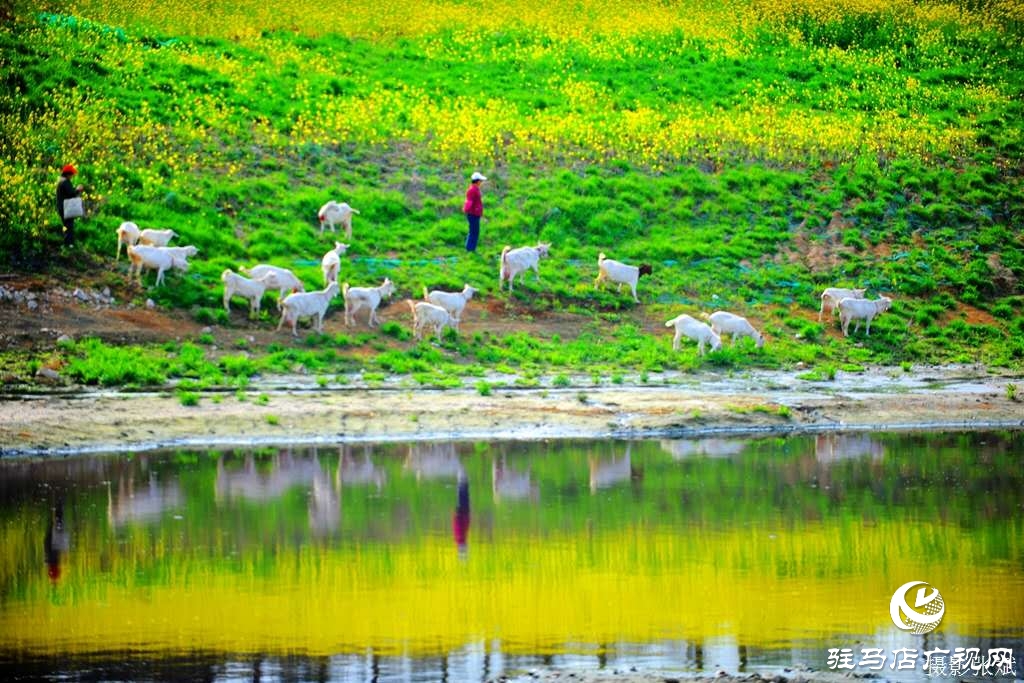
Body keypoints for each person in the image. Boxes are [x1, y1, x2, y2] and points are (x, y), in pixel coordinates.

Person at [56, 164, 84, 248]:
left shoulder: (61, 180)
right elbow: (71, 193)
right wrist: (78, 189)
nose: (72, 176)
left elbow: (68, 192)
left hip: (61, 207)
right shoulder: (65, 182)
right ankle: (69, 244)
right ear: (68, 174)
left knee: (66, 225)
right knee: (69, 226)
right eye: (71, 174)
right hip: (66, 207)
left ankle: (66, 243)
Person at [462, 171, 486, 252]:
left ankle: (470, 248)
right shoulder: (473, 190)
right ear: (477, 181)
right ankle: (470, 248)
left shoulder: (474, 189)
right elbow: (470, 202)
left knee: (474, 231)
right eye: (480, 181)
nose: (481, 182)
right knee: (474, 231)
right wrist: (468, 210)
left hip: (474, 214)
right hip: (473, 214)